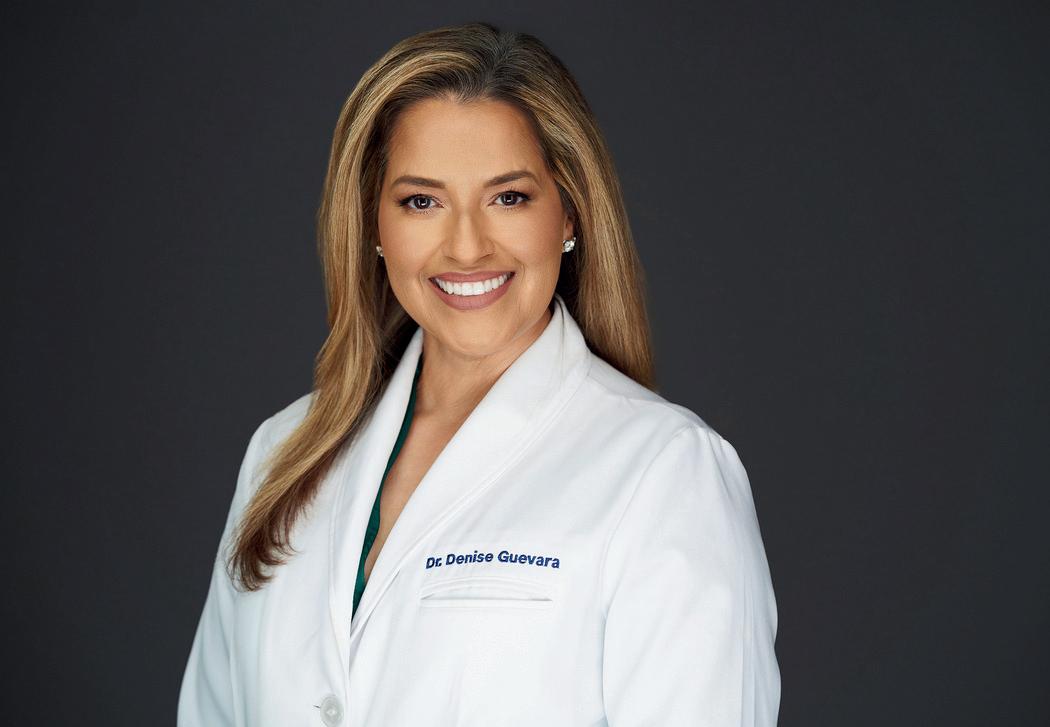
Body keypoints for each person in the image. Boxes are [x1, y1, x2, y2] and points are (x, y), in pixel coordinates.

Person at [177, 20, 780, 727]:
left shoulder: (665, 472)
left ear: (569, 213)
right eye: (421, 201)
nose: (466, 247)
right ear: (373, 224)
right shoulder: (280, 456)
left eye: (508, 197)